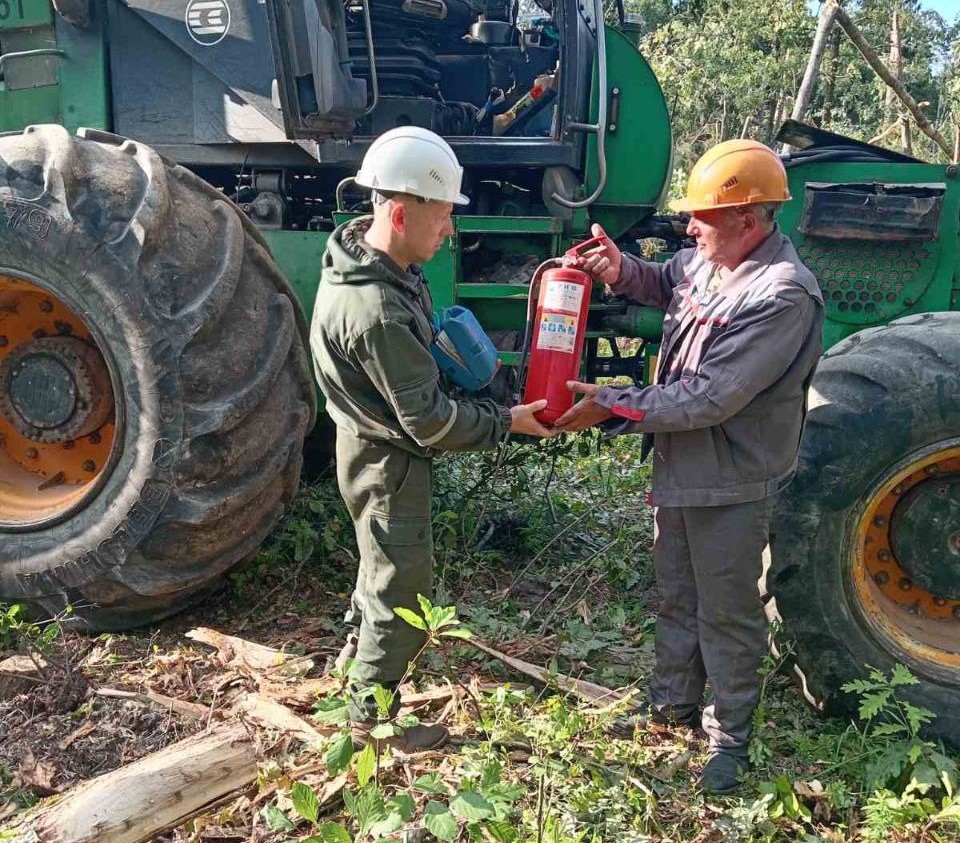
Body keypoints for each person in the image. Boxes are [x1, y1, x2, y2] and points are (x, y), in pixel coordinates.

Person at [555, 139, 824, 793]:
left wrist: (612, 406)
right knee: (678, 596)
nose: (690, 227)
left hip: (729, 479)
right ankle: (671, 707)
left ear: (750, 219)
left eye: (703, 216)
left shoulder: (783, 294)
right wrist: (620, 268)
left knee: (726, 611)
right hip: (682, 468)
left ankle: (729, 739)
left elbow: (711, 395)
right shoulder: (711, 259)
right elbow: (665, 279)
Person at [311, 126, 555, 751]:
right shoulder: (379, 310)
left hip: (369, 446)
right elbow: (429, 422)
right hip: (388, 462)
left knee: (378, 566)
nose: (449, 231)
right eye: (443, 216)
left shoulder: (369, 262)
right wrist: (509, 422)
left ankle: (352, 673)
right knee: (401, 585)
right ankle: (368, 722)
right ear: (399, 212)